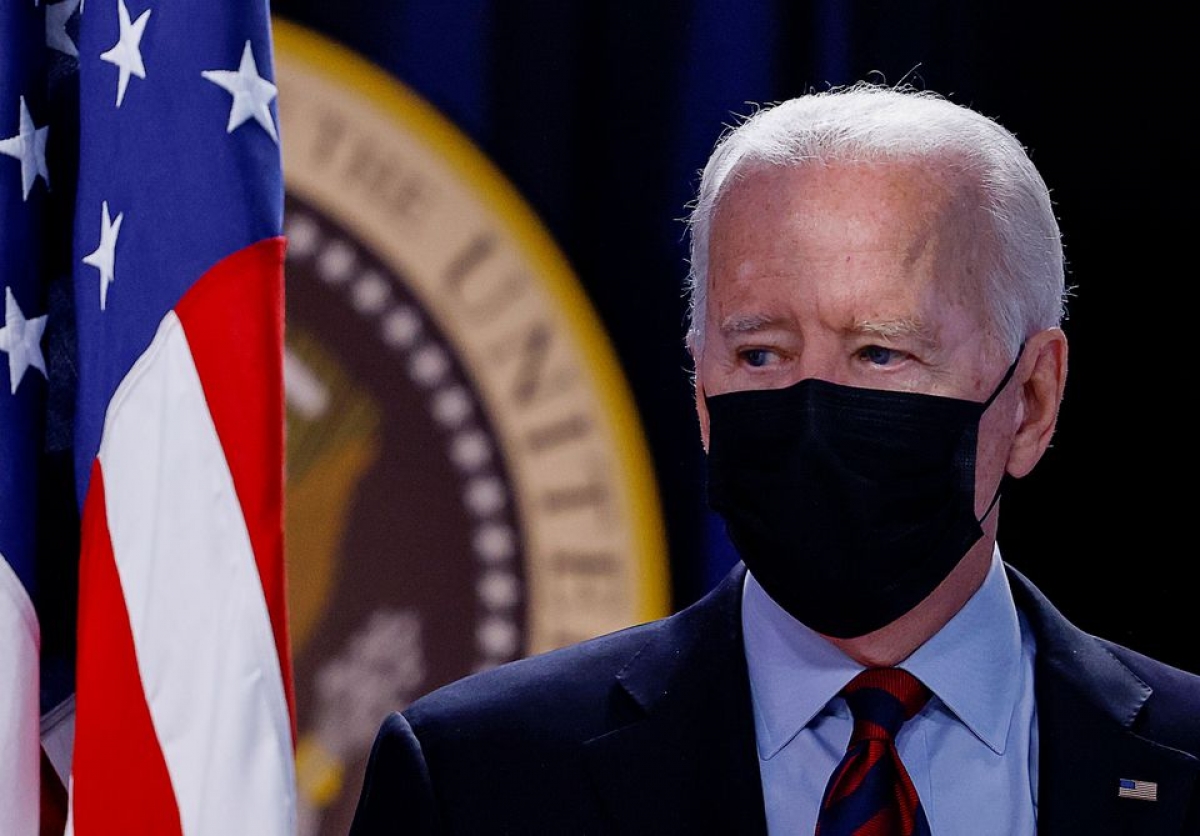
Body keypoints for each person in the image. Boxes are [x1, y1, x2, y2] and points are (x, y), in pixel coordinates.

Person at [349, 84, 1200, 835]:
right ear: (701, 392)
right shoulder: (475, 778)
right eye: (761, 354)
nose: (812, 408)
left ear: (1033, 401)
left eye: (879, 352)